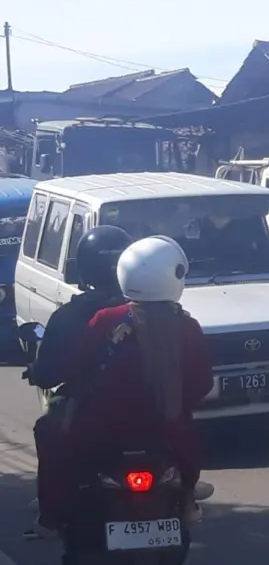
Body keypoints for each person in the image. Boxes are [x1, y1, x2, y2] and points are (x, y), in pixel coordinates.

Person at [35, 236, 214, 536]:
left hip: (100, 428)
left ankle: (49, 521)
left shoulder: (105, 319)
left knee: (53, 440)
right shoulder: (187, 326)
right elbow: (201, 384)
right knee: (188, 448)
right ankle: (187, 500)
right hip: (166, 429)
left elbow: (76, 367)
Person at [26, 226, 133, 537]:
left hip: (88, 409)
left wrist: (38, 371)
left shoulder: (72, 316)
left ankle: (49, 518)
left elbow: (51, 371)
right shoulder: (157, 311)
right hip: (149, 405)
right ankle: (189, 487)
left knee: (48, 432)